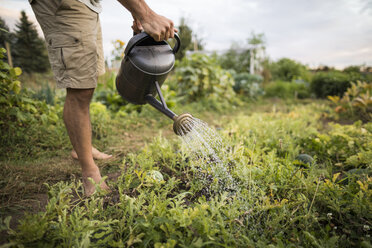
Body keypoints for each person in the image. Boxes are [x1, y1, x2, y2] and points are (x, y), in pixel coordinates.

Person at [29, 0, 177, 196]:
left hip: (88, 4)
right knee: (79, 89)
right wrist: (146, 15)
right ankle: (89, 172)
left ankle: (82, 149)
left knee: (87, 81)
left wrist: (137, 14)